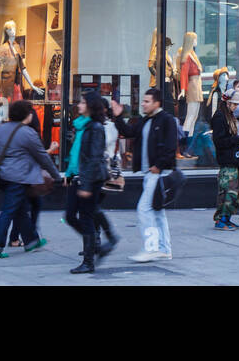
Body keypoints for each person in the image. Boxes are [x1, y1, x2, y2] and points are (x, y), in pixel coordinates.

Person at [109, 88, 183, 262]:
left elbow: (171, 146)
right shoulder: (145, 120)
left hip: (158, 173)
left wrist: (158, 165)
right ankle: (164, 249)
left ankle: (151, 248)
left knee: (144, 209)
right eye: (143, 101)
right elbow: (128, 132)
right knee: (157, 212)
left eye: (147, 101)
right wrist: (118, 116)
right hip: (149, 173)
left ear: (156, 103)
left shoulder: (167, 120)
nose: (143, 103)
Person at [0, 99, 61, 258]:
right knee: (9, 211)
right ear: (28, 115)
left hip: (3, 175)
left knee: (20, 209)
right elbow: (42, 157)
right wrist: (56, 175)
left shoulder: (1, 129)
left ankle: (32, 241)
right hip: (19, 177)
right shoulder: (28, 133)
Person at [64, 92, 111, 273]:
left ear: (91, 106)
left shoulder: (96, 127)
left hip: (90, 179)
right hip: (78, 176)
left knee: (86, 217)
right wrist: (69, 174)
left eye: (83, 102)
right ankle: (94, 247)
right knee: (69, 216)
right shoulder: (81, 126)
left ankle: (89, 261)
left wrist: (86, 185)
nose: (79, 105)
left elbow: (93, 158)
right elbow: (76, 154)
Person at [210, 87, 239, 229]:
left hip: (234, 160)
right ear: (227, 103)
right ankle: (221, 219)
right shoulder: (219, 117)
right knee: (228, 192)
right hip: (226, 160)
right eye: (235, 104)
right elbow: (220, 142)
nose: (236, 107)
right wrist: (238, 139)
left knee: (235, 193)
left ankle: (226, 218)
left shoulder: (230, 116)